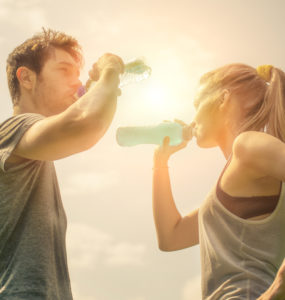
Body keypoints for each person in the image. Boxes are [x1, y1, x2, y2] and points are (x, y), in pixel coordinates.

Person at [0, 28, 124, 299]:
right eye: (65, 70)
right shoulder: (12, 130)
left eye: (77, 75)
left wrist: (105, 91)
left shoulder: (33, 147)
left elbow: (87, 121)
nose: (76, 83)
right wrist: (110, 70)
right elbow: (84, 125)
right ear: (27, 77)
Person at [152, 63, 285, 299]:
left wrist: (276, 290)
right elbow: (171, 236)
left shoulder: (247, 145)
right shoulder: (232, 179)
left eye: (196, 105)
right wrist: (161, 162)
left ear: (223, 98)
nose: (192, 121)